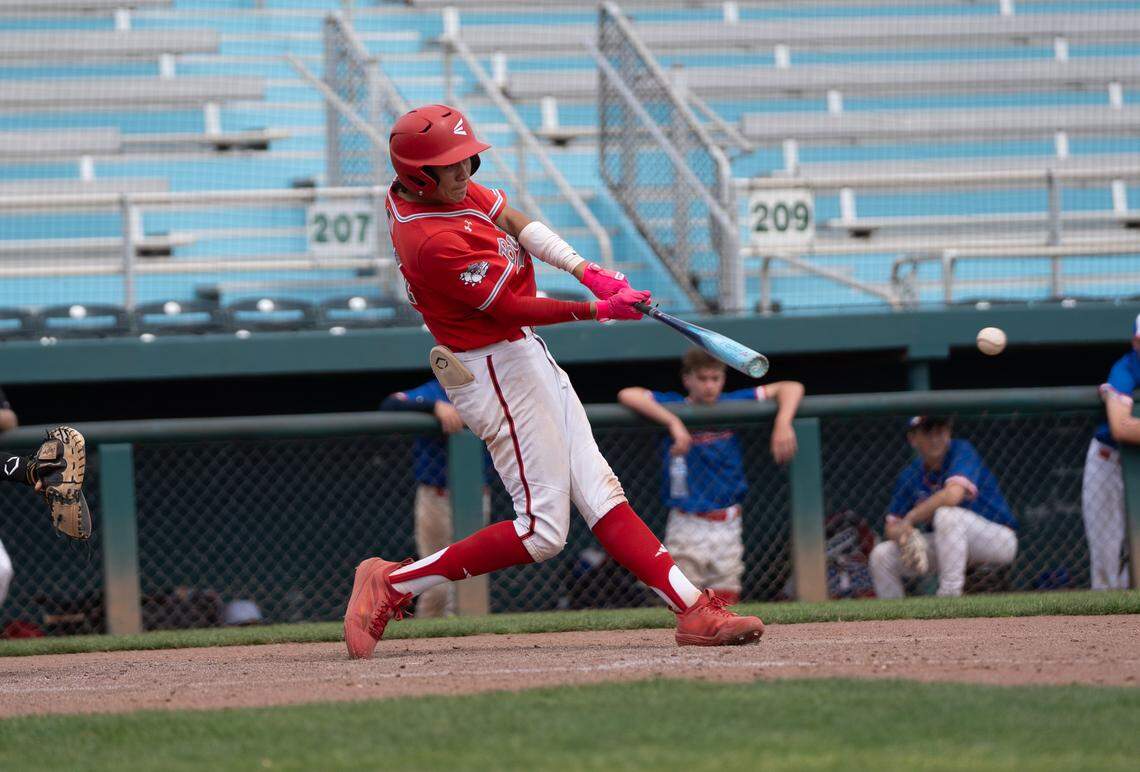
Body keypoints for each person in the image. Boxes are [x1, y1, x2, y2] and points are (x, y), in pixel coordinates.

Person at [343, 104, 764, 658]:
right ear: (420, 175)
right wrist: (600, 311)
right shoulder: (431, 240)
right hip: (493, 370)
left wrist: (586, 270)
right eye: (451, 165)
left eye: (467, 159)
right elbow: (514, 307)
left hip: (522, 355)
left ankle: (692, 611)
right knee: (543, 533)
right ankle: (392, 582)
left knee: (601, 493)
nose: (466, 172)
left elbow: (515, 221)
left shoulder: (443, 191)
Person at [617, 348, 804, 604]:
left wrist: (783, 422)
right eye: (702, 379)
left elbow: (792, 387)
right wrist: (673, 423)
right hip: (688, 519)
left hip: (728, 518)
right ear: (688, 379)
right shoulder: (674, 404)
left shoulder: (732, 403)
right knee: (686, 597)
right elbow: (627, 394)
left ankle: (724, 641)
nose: (709, 385)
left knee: (727, 593)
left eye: (715, 379)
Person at [869, 415, 1018, 598]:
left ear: (948, 433)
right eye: (927, 433)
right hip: (949, 544)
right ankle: (892, 621)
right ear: (913, 439)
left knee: (946, 515)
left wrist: (911, 518)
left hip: (996, 539)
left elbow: (952, 496)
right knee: (881, 555)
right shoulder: (910, 474)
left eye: (940, 432)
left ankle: (949, 595)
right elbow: (891, 527)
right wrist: (903, 534)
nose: (935, 439)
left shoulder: (961, 450)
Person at [379, 378, 480, 618]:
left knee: (473, 582)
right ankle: (425, 643)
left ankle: (474, 649)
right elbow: (390, 405)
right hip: (436, 498)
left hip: (477, 500)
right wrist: (433, 407)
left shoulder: (486, 390)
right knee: (437, 585)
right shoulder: (434, 391)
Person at [1082, 315, 1140, 590]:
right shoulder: (1126, 368)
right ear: (1135, 342)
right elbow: (1120, 427)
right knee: (1105, 551)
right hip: (1109, 460)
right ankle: (1103, 628)